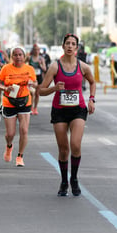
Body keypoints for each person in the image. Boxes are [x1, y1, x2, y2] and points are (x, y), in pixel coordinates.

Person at [39, 33, 96, 197]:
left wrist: (91, 100)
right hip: (60, 110)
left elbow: (92, 82)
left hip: (78, 109)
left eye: (73, 44)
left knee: (76, 145)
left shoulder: (83, 67)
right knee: (64, 149)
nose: (70, 46)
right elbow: (41, 91)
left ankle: (74, 178)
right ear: (63, 46)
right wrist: (54, 89)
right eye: (67, 44)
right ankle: (64, 180)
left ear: (77, 48)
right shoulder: (55, 67)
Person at [0, 46, 37, 167]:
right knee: (10, 134)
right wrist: (6, 88)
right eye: (15, 54)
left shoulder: (29, 69)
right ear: (12, 56)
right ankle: (9, 146)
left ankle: (20, 156)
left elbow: (35, 83)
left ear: (24, 56)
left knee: (24, 131)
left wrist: (31, 83)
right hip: (9, 102)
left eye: (20, 55)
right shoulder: (6, 68)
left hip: (25, 102)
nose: (18, 57)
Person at [26, 44, 47, 115]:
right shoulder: (29, 58)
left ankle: (35, 108)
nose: (36, 51)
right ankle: (31, 107)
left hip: (39, 77)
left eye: (38, 50)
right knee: (32, 93)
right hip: (31, 78)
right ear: (33, 50)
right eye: (35, 49)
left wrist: (40, 64)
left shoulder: (41, 59)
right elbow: (24, 65)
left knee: (37, 94)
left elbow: (45, 69)